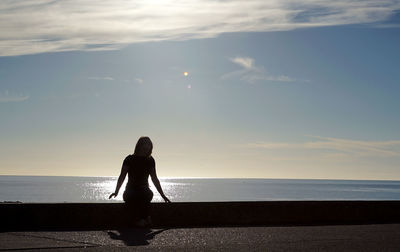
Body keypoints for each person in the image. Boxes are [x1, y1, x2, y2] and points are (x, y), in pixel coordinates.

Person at [109, 136, 170, 227]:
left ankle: (142, 220)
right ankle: (143, 219)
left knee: (147, 194)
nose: (147, 146)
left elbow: (154, 178)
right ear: (139, 145)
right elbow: (122, 176)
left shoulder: (150, 160)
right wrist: (116, 191)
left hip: (144, 190)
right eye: (145, 143)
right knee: (135, 196)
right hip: (130, 190)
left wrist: (163, 195)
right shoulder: (129, 159)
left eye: (149, 144)